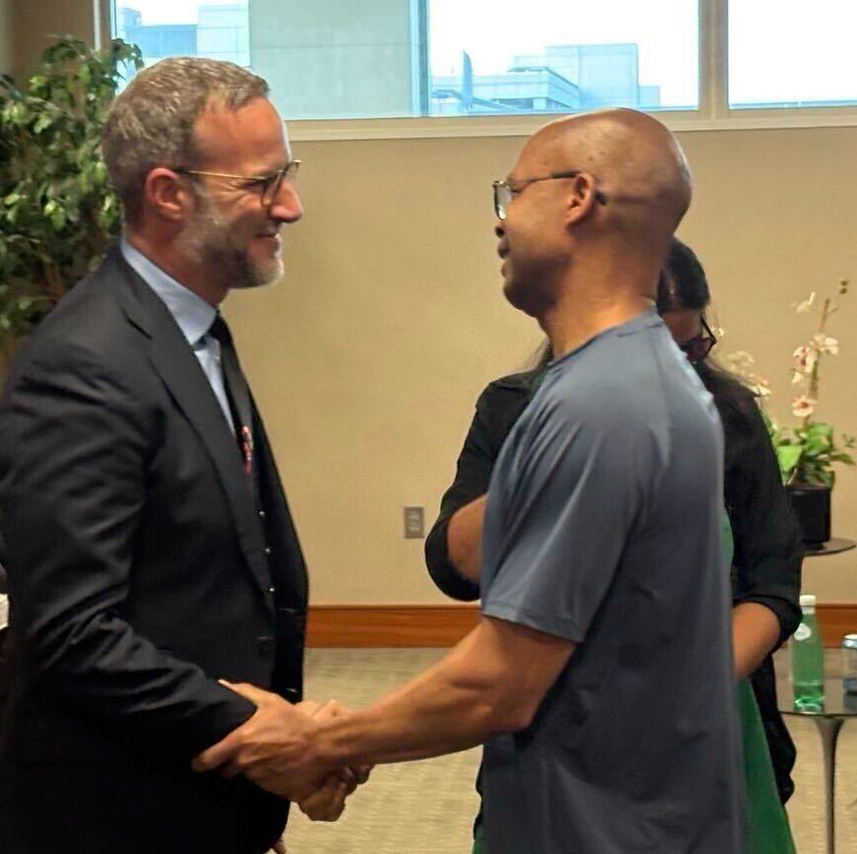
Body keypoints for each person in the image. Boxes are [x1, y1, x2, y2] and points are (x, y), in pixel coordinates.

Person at [195, 108, 744, 853]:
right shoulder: (633, 382)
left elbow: (499, 682)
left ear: (578, 197)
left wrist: (324, 742)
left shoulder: (603, 405)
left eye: (511, 194)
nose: (500, 223)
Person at [0, 57, 350, 854]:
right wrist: (259, 732)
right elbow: (73, 632)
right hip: (107, 819)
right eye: (262, 183)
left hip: (198, 805)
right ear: (168, 193)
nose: (291, 205)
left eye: (287, 175)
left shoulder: (192, 330)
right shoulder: (84, 362)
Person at [425, 238, 802, 853]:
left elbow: (773, 580)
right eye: (654, 353)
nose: (672, 376)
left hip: (707, 721)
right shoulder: (514, 409)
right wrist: (559, 450)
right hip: (560, 727)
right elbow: (454, 566)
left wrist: (683, 691)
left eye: (691, 350)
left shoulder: (728, 416)